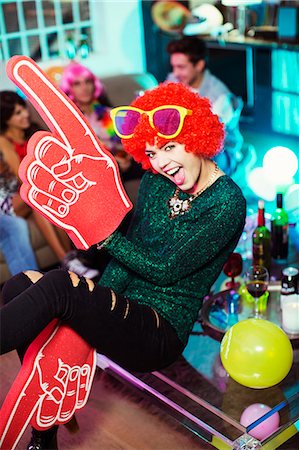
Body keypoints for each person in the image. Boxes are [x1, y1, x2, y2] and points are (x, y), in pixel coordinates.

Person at [0, 82, 246, 449]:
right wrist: (94, 306)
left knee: (57, 286)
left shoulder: (226, 202)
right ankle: (44, 432)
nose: (161, 162)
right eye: (152, 152)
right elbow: (125, 254)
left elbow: (164, 270)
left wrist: (104, 236)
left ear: (197, 138)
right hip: (124, 311)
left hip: (159, 331)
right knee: (20, 285)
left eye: (169, 147)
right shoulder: (156, 182)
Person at [0, 90, 98, 278]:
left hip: (37, 189)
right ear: (6, 119)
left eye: (24, 109)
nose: (25, 115)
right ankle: (67, 260)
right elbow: (22, 177)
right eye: (17, 113)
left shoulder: (34, 133)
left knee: (44, 199)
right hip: (9, 199)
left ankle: (73, 257)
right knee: (38, 197)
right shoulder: (4, 142)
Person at [166, 36, 244, 176]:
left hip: (221, 153)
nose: (175, 73)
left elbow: (207, 138)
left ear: (199, 65)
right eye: (173, 66)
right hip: (181, 144)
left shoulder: (220, 96)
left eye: (181, 67)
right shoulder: (174, 79)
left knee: (198, 158)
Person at [0, 149, 39, 275]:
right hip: (6, 211)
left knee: (35, 196)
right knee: (16, 225)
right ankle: (32, 284)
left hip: (11, 205)